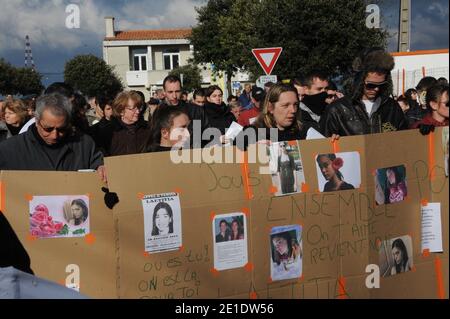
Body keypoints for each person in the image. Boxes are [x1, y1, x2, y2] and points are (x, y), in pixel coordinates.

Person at [0, 93, 104, 177]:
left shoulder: (84, 145)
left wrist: (102, 169)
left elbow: (99, 166)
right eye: (48, 129)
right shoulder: (8, 149)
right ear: (36, 120)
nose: (55, 135)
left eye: (62, 129)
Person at [320, 48, 408, 136]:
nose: (376, 89)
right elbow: (322, 145)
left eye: (381, 85)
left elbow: (405, 139)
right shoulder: (336, 110)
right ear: (360, 81)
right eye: (371, 85)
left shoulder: (392, 107)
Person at [238, 83, 324, 148]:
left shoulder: (305, 130)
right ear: (270, 107)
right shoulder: (256, 131)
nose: (293, 110)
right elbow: (230, 156)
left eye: (295, 104)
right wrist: (251, 150)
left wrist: (333, 144)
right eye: (286, 105)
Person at [97, 91, 152, 156]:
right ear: (121, 111)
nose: (138, 111)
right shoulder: (109, 132)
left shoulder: (148, 128)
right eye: (133, 108)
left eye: (138, 107)